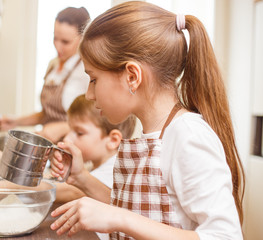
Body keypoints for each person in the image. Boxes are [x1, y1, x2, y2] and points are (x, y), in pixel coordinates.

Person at [49, 1, 245, 239]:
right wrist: (82, 179)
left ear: (132, 76)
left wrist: (118, 218)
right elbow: (139, 212)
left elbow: (226, 235)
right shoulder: (154, 134)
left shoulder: (188, 135)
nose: (90, 94)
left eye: (93, 79)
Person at [0, 94, 136, 204]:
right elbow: (47, 178)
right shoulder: (93, 165)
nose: (68, 138)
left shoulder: (114, 168)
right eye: (69, 130)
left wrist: (6, 186)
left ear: (112, 140)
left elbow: (71, 191)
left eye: (79, 133)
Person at [0, 7, 91, 143]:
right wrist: (16, 121)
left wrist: (64, 127)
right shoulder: (52, 65)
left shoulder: (86, 71)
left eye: (65, 42)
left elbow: (97, 120)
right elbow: (47, 115)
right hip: (51, 147)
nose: (57, 46)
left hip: (76, 148)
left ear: (82, 38)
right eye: (55, 38)